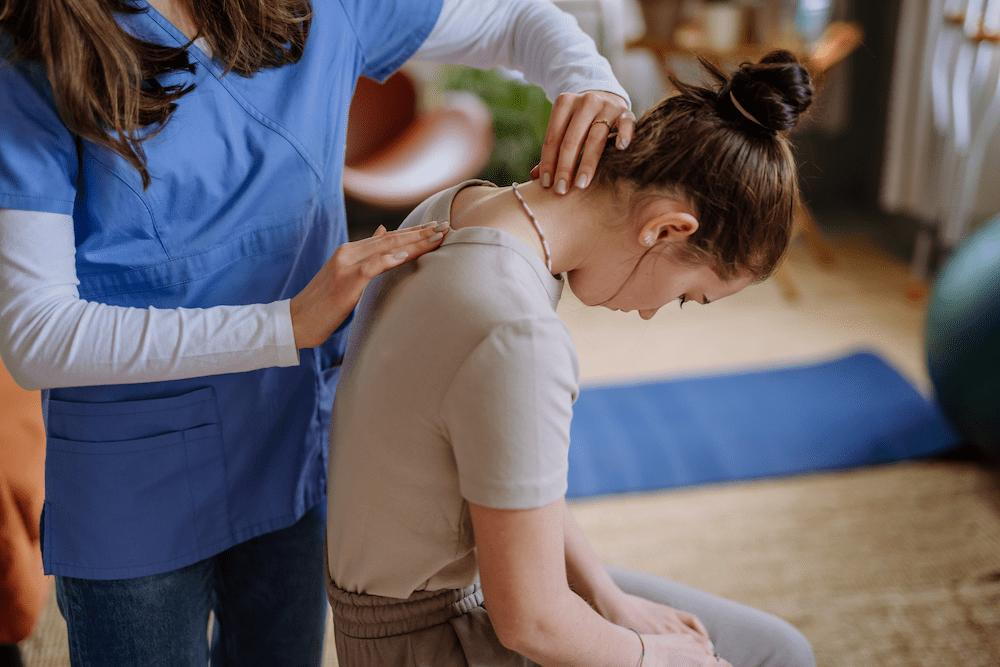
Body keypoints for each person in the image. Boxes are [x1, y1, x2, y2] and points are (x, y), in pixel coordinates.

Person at [0, 0, 635, 663]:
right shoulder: (36, 60)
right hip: (134, 480)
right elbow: (37, 334)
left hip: (292, 443)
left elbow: (514, 20)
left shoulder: (318, 8)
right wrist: (286, 324)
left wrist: (588, 78)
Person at [326, 51, 819, 666]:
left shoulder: (461, 209)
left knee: (776, 646)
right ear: (666, 230)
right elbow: (531, 622)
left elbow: (498, 469)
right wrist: (658, 658)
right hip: (434, 642)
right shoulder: (514, 332)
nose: (651, 312)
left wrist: (608, 597)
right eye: (688, 296)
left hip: (430, 611)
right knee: (771, 658)